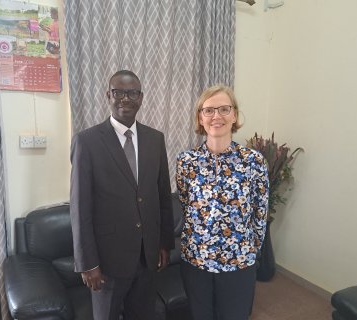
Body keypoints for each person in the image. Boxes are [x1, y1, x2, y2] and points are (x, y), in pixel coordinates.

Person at [70, 70, 174, 320]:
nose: (125, 98)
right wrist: (88, 262)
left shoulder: (155, 139)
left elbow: (162, 195)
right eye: (118, 92)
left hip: (146, 256)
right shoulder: (87, 141)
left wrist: (163, 243)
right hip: (107, 262)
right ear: (108, 95)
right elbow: (79, 207)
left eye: (132, 93)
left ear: (141, 98)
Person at [176, 85, 269, 320]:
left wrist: (249, 250)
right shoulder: (186, 162)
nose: (216, 116)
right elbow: (187, 206)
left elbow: (260, 213)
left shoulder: (254, 161)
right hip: (196, 262)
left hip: (239, 263)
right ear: (200, 117)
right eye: (209, 110)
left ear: (235, 115)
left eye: (224, 109)